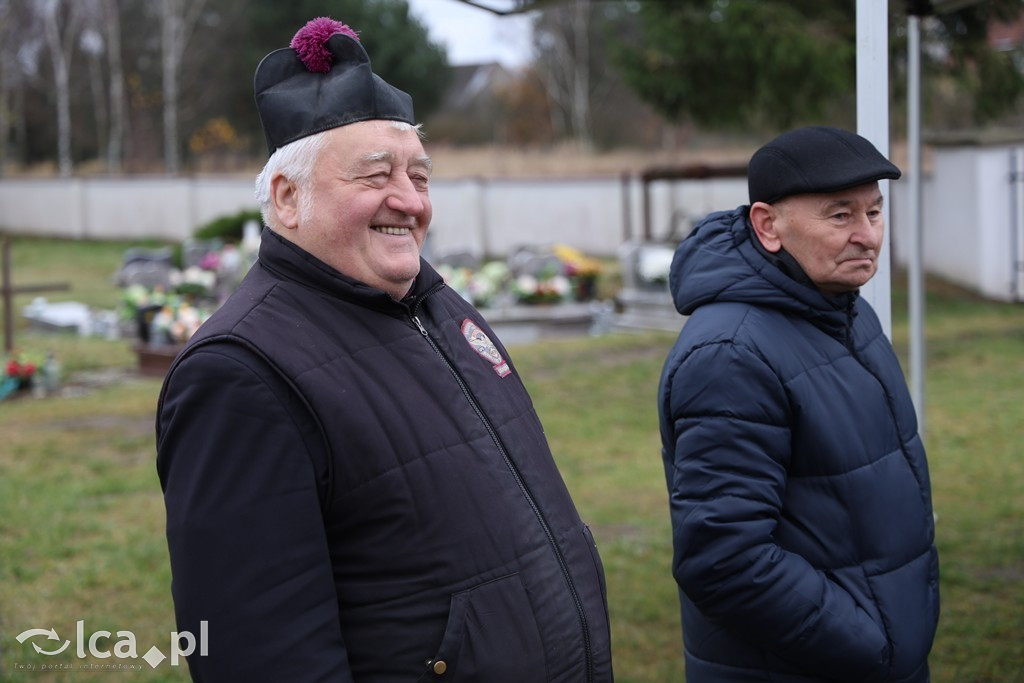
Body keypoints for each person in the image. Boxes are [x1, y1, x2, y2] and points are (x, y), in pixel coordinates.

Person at [156, 17, 613, 682]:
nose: (410, 201)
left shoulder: (442, 308)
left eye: (420, 176)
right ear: (287, 198)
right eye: (375, 175)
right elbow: (258, 654)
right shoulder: (238, 374)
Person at [657, 126, 940, 682]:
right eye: (840, 216)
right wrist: (869, 641)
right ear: (768, 225)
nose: (868, 236)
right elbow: (723, 559)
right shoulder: (731, 354)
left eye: (874, 213)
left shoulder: (844, 310)